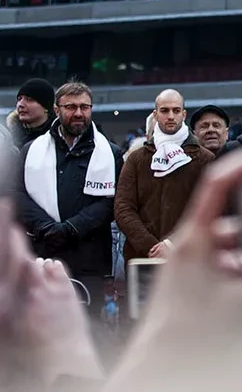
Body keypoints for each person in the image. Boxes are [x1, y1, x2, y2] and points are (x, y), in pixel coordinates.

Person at [16, 81, 123, 307]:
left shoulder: (110, 153)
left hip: (90, 258)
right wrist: (45, 226)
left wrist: (72, 228)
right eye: (71, 107)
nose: (78, 113)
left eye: (84, 107)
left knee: (90, 324)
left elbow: (111, 202)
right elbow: (18, 195)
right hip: (43, 252)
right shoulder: (31, 150)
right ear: (57, 110)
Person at [115, 89, 215, 261]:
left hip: (190, 258)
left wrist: (172, 245)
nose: (170, 116)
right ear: (155, 115)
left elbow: (211, 209)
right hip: (143, 257)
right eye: (164, 110)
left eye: (176, 111)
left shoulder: (205, 159)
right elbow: (123, 208)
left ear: (184, 114)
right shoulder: (136, 159)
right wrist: (150, 246)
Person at [6, 78, 54, 150]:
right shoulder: (8, 137)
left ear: (46, 107)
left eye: (29, 100)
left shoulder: (59, 138)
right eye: (19, 99)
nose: (20, 104)